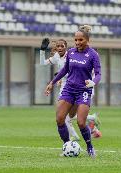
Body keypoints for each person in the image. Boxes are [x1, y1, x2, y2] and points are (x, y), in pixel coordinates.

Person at [44, 25, 101, 157]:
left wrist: (93, 82)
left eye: (80, 40)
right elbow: (65, 70)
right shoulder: (71, 52)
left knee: (81, 122)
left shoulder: (93, 55)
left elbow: (98, 74)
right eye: (75, 40)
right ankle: (67, 145)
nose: (77, 43)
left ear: (87, 40)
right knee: (59, 119)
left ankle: (90, 147)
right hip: (69, 89)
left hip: (83, 91)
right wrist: (52, 83)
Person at [40, 38, 80, 141]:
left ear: (66, 47)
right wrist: (42, 50)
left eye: (62, 46)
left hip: (73, 85)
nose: (60, 48)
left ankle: (76, 135)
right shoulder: (57, 56)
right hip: (64, 86)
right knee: (63, 115)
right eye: (58, 46)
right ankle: (75, 136)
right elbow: (43, 63)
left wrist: (59, 77)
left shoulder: (71, 55)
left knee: (70, 115)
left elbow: (72, 69)